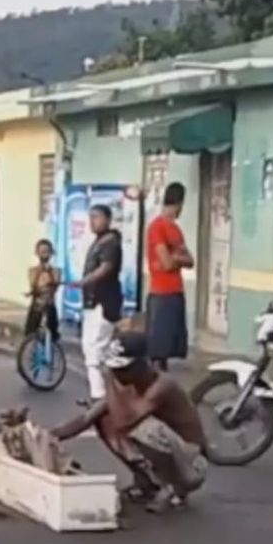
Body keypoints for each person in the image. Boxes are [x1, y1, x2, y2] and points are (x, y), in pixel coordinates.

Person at [51, 333, 208, 513]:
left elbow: (124, 422)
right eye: (115, 369)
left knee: (144, 429)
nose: (118, 374)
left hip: (192, 464)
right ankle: (145, 483)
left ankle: (172, 488)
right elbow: (86, 418)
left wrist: (109, 381)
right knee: (103, 419)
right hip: (174, 454)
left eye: (123, 369)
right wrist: (46, 434)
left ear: (143, 363)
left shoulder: (162, 386)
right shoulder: (128, 385)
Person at [71, 204, 122, 402]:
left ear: (107, 219)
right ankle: (104, 393)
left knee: (95, 349)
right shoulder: (99, 242)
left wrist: (86, 280)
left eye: (97, 217)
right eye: (91, 217)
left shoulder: (110, 243)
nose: (93, 221)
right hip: (92, 303)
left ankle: (99, 396)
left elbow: (106, 268)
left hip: (103, 302)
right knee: (93, 348)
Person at [146, 182, 193, 371]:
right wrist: (176, 257)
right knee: (158, 350)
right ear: (179, 203)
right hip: (161, 294)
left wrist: (175, 258)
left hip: (175, 292)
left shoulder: (175, 230)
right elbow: (166, 263)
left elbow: (190, 260)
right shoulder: (157, 227)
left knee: (170, 349)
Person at [24, 239, 62, 343]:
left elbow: (55, 286)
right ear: (37, 253)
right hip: (36, 307)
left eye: (47, 251)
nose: (44, 254)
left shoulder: (56, 271)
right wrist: (41, 271)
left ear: (51, 253)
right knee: (30, 336)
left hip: (50, 306)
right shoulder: (32, 271)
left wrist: (49, 273)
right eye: (42, 251)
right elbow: (34, 286)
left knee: (53, 336)